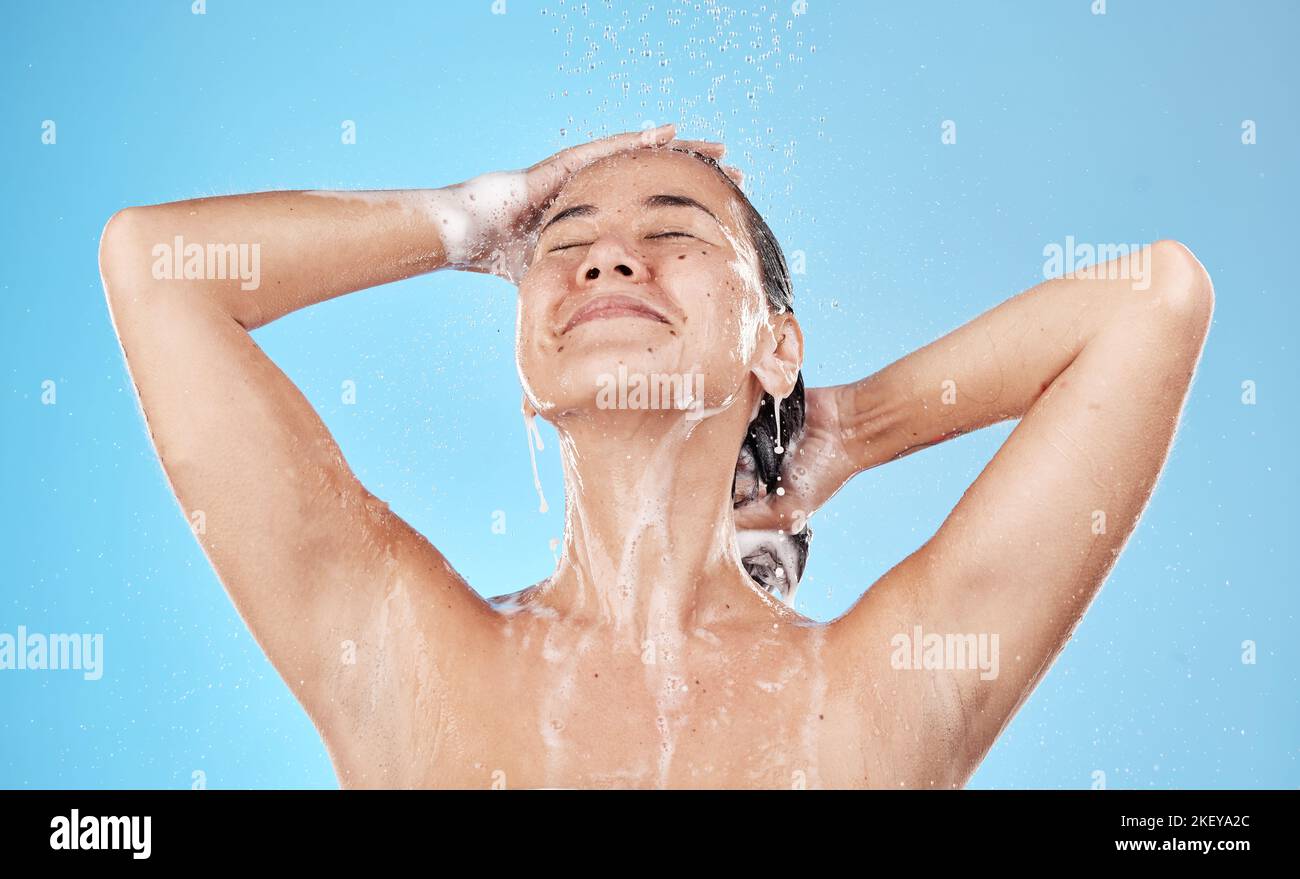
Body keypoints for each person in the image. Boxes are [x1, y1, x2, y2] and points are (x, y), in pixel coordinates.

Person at [98, 123, 1213, 788]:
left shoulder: (877, 690)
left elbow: (1151, 301)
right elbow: (159, 267)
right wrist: (471, 218)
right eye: (563, 244)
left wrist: (848, 427)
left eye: (676, 232)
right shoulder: (403, 651)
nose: (608, 259)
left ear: (776, 345)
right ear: (528, 374)